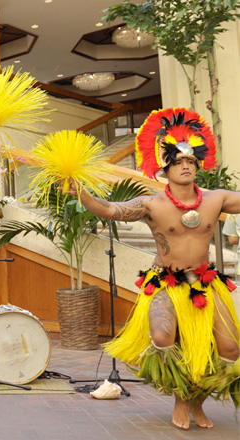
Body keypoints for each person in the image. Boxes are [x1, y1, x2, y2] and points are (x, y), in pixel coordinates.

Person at [65, 108, 240, 430]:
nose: (186, 166)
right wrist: (84, 195)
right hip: (166, 282)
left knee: (230, 347)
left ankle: (198, 402)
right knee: (162, 337)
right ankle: (180, 399)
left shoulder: (216, 199)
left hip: (205, 281)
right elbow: (110, 209)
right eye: (178, 162)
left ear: (198, 165)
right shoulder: (151, 204)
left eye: (190, 161)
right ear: (166, 169)